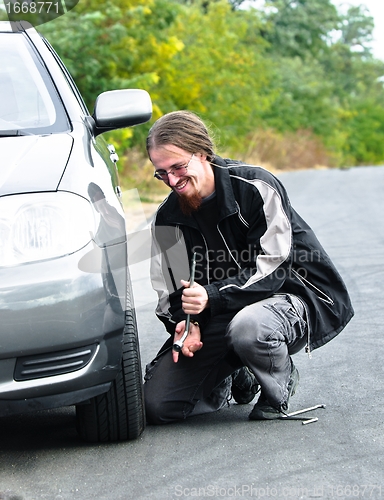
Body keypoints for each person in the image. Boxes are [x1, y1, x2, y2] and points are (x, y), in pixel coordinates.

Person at [144, 110, 354, 424]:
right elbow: (170, 290)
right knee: (156, 406)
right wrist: (187, 324)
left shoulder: (255, 186)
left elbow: (275, 266)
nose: (172, 181)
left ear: (203, 153)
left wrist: (211, 297)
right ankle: (233, 377)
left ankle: (277, 385)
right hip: (221, 310)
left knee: (249, 327)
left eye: (178, 167)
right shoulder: (166, 219)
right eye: (161, 173)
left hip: (288, 299)